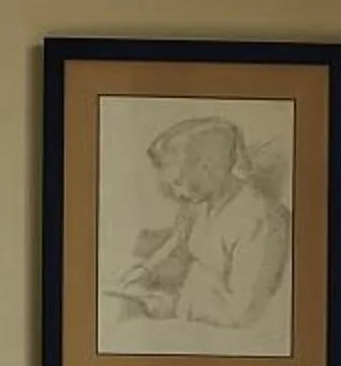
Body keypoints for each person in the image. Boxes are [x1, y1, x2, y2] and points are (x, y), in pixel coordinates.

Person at [110, 115, 291, 331]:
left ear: (208, 167)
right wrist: (144, 272)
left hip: (229, 334)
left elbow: (245, 313)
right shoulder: (199, 204)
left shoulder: (262, 219)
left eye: (178, 183)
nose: (176, 194)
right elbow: (176, 247)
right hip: (189, 314)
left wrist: (175, 306)